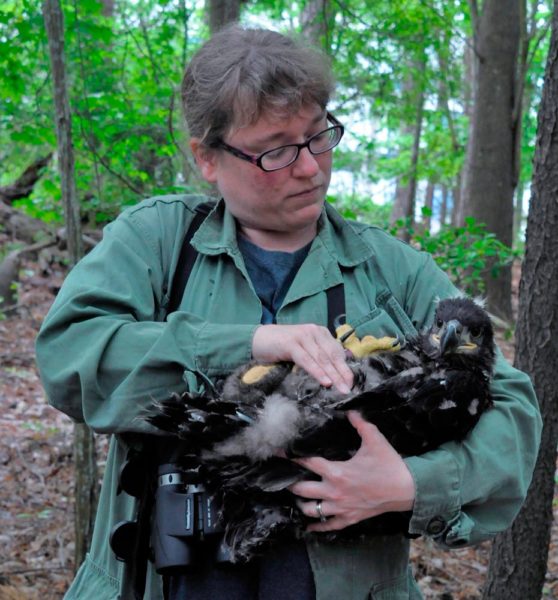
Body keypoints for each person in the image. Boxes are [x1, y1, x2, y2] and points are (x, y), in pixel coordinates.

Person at [35, 25, 541, 600]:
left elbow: (514, 410)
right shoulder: (157, 243)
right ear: (207, 156)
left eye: (319, 137)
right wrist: (246, 344)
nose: (310, 168)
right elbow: (68, 356)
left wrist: (407, 483)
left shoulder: (391, 272)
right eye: (276, 149)